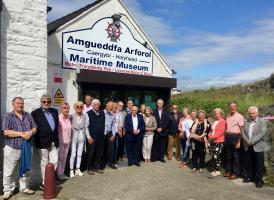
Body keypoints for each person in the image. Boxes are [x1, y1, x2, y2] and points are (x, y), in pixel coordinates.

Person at [2, 97, 37, 199]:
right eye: (18, 103)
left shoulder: (28, 115)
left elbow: (34, 128)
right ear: (13, 104)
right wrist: (21, 134)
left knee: (26, 169)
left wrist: (30, 132)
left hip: (26, 148)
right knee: (9, 171)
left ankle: (24, 187)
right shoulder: (8, 116)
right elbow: (6, 132)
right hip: (12, 148)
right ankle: (8, 190)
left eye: (22, 103)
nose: (20, 105)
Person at [31, 95, 59, 190]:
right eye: (44, 101)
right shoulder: (35, 113)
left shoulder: (54, 111)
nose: (46, 103)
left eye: (48, 101)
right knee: (44, 162)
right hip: (42, 141)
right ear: (41, 102)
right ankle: (45, 183)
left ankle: (48, 179)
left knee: (55, 161)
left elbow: (56, 126)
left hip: (54, 141)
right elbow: (33, 127)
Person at [242, 106, 267, 188]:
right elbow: (243, 133)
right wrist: (247, 141)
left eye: (253, 113)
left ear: (257, 113)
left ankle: (259, 180)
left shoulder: (262, 121)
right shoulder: (247, 121)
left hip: (258, 146)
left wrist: (252, 141)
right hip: (248, 145)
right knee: (248, 163)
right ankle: (249, 177)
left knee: (259, 164)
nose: (252, 115)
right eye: (250, 113)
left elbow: (262, 133)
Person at [224, 101, 244, 180]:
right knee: (228, 156)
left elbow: (241, 130)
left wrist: (239, 141)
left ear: (236, 107)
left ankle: (236, 173)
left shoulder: (240, 116)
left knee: (236, 157)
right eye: (231, 106)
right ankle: (229, 171)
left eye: (234, 106)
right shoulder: (228, 116)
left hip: (236, 137)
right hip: (228, 137)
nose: (232, 108)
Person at [85, 99, 105, 175]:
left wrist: (104, 133)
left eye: (97, 104)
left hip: (101, 137)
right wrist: (88, 137)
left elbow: (104, 124)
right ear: (92, 105)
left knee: (99, 152)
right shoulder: (88, 113)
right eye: (95, 104)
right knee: (91, 153)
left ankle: (97, 167)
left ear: (99, 105)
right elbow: (86, 126)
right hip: (92, 137)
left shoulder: (102, 113)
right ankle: (90, 168)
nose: (96, 106)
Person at [70, 101, 87, 178]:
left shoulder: (84, 116)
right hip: (74, 137)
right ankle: (71, 170)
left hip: (81, 137)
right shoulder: (71, 116)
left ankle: (77, 169)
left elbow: (85, 126)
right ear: (74, 107)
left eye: (81, 107)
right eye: (78, 106)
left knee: (79, 154)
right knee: (73, 154)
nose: (79, 108)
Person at [208, 108, 226, 176]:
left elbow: (221, 132)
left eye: (217, 113)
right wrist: (209, 136)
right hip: (212, 140)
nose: (216, 115)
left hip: (218, 141)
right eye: (215, 113)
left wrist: (212, 137)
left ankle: (218, 170)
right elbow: (211, 130)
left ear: (221, 114)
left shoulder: (222, 121)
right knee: (214, 155)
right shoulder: (214, 121)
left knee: (216, 155)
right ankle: (215, 169)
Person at [56, 103, 72, 180]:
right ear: (61, 109)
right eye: (65, 108)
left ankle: (62, 173)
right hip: (61, 141)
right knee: (60, 158)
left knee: (65, 157)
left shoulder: (69, 117)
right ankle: (58, 174)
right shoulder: (58, 118)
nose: (66, 110)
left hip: (68, 140)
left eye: (67, 108)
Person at [102, 101, 117, 169]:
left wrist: (114, 135)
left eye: (112, 106)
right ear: (106, 105)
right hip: (102, 134)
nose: (110, 108)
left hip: (110, 133)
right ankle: (102, 163)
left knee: (111, 149)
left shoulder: (112, 115)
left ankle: (110, 163)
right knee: (102, 149)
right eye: (109, 106)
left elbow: (113, 125)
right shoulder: (101, 113)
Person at [112, 102, 123, 166]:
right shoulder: (110, 113)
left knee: (115, 147)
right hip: (110, 133)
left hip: (116, 133)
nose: (115, 108)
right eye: (114, 107)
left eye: (116, 107)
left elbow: (121, 124)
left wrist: (118, 129)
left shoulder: (120, 114)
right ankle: (109, 161)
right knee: (110, 148)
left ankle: (114, 161)